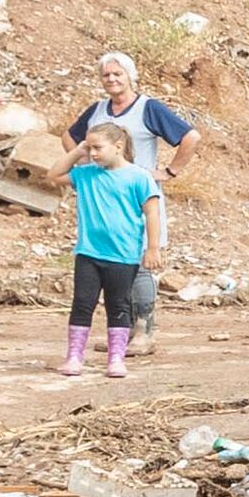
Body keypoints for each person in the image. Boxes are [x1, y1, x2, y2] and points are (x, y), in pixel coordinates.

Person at [68, 52, 200, 355]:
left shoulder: (148, 108)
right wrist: (87, 165)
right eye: (106, 75)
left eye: (118, 74)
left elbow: (190, 137)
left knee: (140, 264)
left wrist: (169, 171)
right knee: (116, 265)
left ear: (130, 76)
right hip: (106, 198)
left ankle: (145, 331)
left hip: (139, 194)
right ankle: (122, 332)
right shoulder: (98, 111)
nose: (112, 80)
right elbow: (72, 138)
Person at [59, 122, 158, 378]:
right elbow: (53, 175)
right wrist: (77, 151)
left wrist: (153, 248)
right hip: (89, 253)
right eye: (89, 148)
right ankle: (74, 357)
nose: (92, 154)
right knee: (82, 304)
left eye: (97, 148)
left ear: (118, 146)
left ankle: (116, 358)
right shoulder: (86, 174)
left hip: (123, 256)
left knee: (119, 306)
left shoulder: (138, 177)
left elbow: (152, 212)